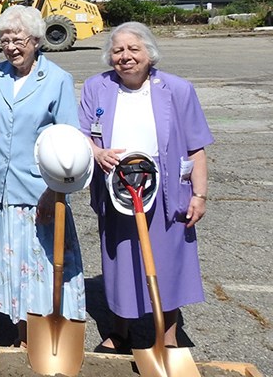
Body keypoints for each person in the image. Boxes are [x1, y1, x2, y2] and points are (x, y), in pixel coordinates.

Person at [78, 22, 212, 353]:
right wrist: (96, 152)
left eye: (133, 49)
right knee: (121, 260)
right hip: (117, 187)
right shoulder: (97, 87)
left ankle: (166, 336)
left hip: (165, 189)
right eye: (118, 50)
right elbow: (82, 133)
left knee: (167, 260)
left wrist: (199, 194)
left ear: (149, 54)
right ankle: (120, 331)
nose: (125, 56)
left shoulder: (178, 89)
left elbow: (196, 148)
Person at [0, 5, 86, 346]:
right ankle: (18, 333)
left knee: (38, 269)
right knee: (6, 266)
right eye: (4, 40)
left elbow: (68, 142)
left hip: (37, 193)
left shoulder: (58, 80)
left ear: (35, 40)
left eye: (18, 39)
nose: (11, 47)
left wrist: (55, 191)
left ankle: (37, 338)